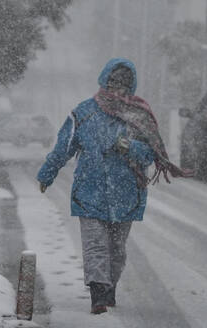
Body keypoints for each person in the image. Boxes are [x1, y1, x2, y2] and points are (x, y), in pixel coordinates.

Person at [36, 58, 192, 314]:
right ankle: (98, 292)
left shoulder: (139, 117)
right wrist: (47, 174)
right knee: (95, 245)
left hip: (126, 194)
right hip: (90, 192)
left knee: (116, 250)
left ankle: (109, 287)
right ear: (104, 80)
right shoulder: (83, 113)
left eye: (124, 83)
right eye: (113, 82)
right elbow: (63, 147)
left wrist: (131, 146)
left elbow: (150, 155)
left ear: (131, 86)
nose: (118, 88)